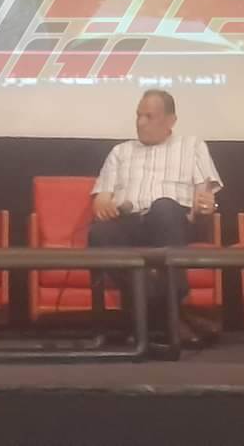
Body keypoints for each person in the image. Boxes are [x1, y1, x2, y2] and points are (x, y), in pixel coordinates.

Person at [88, 89, 223, 344]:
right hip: (131, 222)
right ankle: (169, 314)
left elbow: (204, 197)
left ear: (171, 120)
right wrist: (103, 204)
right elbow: (101, 198)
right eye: (138, 115)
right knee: (99, 233)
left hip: (173, 221)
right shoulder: (120, 152)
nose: (141, 122)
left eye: (149, 117)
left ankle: (155, 315)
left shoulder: (192, 146)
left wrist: (206, 205)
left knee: (163, 207)